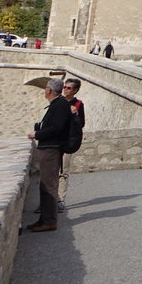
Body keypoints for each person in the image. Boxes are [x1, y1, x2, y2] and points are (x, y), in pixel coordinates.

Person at [26, 77, 72, 232]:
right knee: (44, 185)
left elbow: (57, 128)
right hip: (48, 149)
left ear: (49, 90)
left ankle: (50, 221)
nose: (45, 89)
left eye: (46, 87)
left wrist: (37, 134)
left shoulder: (60, 105)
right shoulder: (58, 104)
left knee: (49, 186)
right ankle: (43, 219)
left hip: (51, 149)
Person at [57, 78, 85, 213]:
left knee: (64, 171)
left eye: (69, 88)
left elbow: (82, 124)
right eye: (64, 87)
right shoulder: (58, 101)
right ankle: (49, 200)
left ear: (75, 90)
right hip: (56, 141)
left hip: (68, 142)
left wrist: (76, 114)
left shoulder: (78, 104)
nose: (65, 90)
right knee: (52, 172)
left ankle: (60, 200)